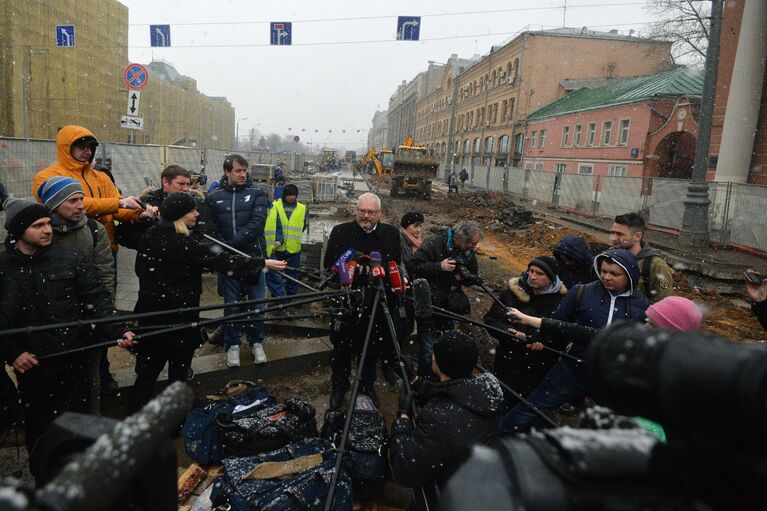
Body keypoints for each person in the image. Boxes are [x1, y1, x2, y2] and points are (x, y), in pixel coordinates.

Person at [0, 197, 134, 480]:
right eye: (38, 225)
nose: (47, 230)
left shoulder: (71, 258)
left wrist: (118, 330)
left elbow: (96, 300)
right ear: (18, 230)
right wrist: (12, 352)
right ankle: (46, 482)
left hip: (75, 358)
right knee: (41, 431)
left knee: (78, 425)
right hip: (34, 367)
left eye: (48, 223)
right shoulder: (3, 266)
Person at [119, 192, 285, 412]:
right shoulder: (185, 243)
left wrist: (147, 217)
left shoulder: (151, 235)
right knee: (177, 377)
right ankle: (175, 420)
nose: (197, 214)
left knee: (146, 374)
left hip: (151, 318)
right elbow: (222, 260)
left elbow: (125, 235)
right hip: (180, 321)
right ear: (179, 215)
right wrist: (261, 263)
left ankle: (136, 415)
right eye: (192, 210)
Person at [499, 248, 650, 435]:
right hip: (572, 369)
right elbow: (559, 321)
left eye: (614, 274)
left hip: (612, 377)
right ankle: (498, 437)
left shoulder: (643, 307)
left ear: (630, 275)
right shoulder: (582, 292)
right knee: (531, 407)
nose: (606, 277)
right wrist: (539, 339)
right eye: (603, 271)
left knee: (618, 424)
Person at [389, 331, 504, 511]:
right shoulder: (487, 390)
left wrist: (403, 418)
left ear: (437, 362)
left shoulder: (438, 420)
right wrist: (416, 382)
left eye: (435, 353)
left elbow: (405, 471)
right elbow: (455, 393)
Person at [36, 177, 118, 401]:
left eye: (81, 199)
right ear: (53, 205)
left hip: (87, 317)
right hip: (48, 324)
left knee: (89, 381)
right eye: (72, 201)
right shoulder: (38, 233)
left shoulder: (93, 229)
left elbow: (105, 274)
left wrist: (106, 314)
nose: (80, 205)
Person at [323, 192, 401, 409]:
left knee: (371, 347)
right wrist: (351, 268)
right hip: (347, 301)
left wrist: (378, 272)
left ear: (380, 214)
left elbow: (395, 263)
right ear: (356, 210)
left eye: (371, 212)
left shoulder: (391, 234)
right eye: (362, 211)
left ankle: (366, 387)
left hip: (376, 301)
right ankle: (339, 386)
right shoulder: (341, 232)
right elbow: (329, 263)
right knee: (341, 347)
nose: (366, 216)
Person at [32, 125, 158, 255]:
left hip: (105, 248)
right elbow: (75, 205)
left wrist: (140, 214)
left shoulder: (102, 177)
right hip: (69, 250)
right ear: (66, 148)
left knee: (107, 275)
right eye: (82, 147)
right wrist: (119, 203)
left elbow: (117, 209)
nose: (88, 151)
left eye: (91, 147)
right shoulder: (47, 177)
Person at [206, 155, 271, 367]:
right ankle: (233, 345)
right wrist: (225, 251)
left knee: (257, 304)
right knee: (231, 306)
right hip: (229, 262)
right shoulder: (214, 197)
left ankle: (256, 343)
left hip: (254, 260)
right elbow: (210, 229)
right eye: (237, 171)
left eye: (244, 170)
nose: (242, 174)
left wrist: (230, 244)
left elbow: (257, 224)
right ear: (227, 172)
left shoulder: (257, 194)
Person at [483, 256, 567, 403]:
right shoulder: (511, 293)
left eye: (540, 274)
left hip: (539, 364)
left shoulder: (562, 302)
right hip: (508, 358)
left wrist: (544, 341)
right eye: (531, 271)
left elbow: (564, 332)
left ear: (552, 277)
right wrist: (508, 331)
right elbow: (492, 320)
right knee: (501, 398)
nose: (533, 277)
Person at [407, 221, 483, 378]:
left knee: (444, 342)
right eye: (472, 243)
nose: (474, 247)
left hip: (449, 306)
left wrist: (464, 278)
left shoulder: (467, 251)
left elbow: (471, 274)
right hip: (429, 304)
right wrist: (438, 267)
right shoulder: (434, 243)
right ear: (460, 238)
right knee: (428, 343)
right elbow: (413, 266)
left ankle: (442, 377)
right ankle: (424, 379)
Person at [610, 212, 674, 302]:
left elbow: (662, 304)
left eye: (620, 234)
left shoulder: (655, 265)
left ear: (637, 236)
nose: (613, 238)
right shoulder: (609, 256)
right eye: (613, 233)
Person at [264, 184, 308, 297]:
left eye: (294, 195)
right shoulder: (275, 206)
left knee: (293, 275)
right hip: (277, 249)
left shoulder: (302, 209)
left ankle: (291, 296)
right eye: (290, 195)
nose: (292, 197)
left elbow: (303, 225)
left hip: (293, 249)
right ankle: (278, 298)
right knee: (275, 275)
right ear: (285, 195)